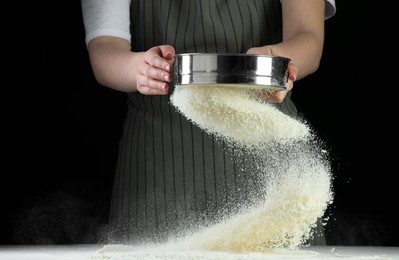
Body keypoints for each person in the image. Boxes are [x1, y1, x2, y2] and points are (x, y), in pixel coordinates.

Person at [81, 0, 336, 245]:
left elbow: (308, 36)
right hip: (158, 168)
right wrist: (139, 68)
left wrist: (275, 62)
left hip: (270, 167)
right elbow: (105, 47)